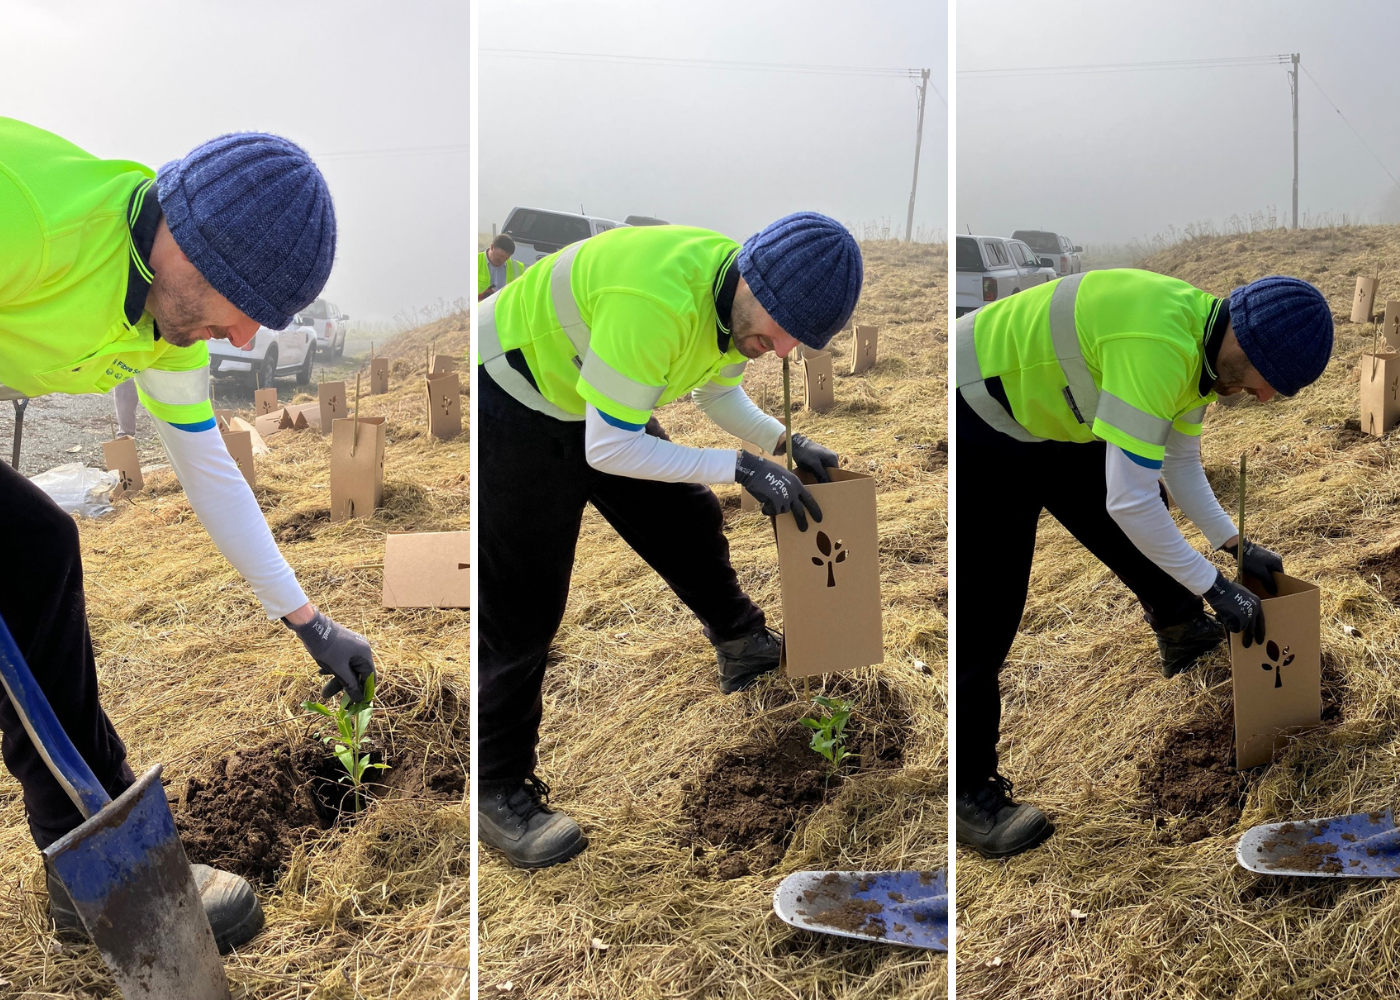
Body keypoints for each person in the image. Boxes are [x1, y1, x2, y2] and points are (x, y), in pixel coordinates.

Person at [0, 118, 376, 950]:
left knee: (32, 550)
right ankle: (107, 862)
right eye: (247, 309)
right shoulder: (27, 213)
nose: (247, 340)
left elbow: (211, 471)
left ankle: (96, 866)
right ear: (189, 249)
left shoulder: (163, 324)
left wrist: (307, 620)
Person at [477, 213, 860, 868]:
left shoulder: (734, 309)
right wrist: (737, 468)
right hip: (514, 392)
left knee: (686, 517)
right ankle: (498, 789)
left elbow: (717, 396)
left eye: (801, 339)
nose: (787, 349)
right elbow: (608, 449)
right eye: (785, 327)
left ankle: (741, 645)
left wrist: (783, 442)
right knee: (525, 601)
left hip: (588, 397)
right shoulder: (656, 300)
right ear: (753, 278)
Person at [954, 269, 1333, 858]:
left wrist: (1232, 545)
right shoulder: (1160, 349)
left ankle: (1181, 631)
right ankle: (969, 793)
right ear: (1248, 347)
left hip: (1055, 412)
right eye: (1269, 383)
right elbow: (1126, 499)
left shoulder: (1204, 352)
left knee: (1140, 513)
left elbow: (1178, 464)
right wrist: (1216, 586)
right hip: (977, 411)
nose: (1263, 398)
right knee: (986, 609)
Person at [478, 234, 524, 300]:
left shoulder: (517, 268)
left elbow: (520, 294)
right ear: (492, 247)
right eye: (500, 256)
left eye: (506, 258)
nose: (502, 260)